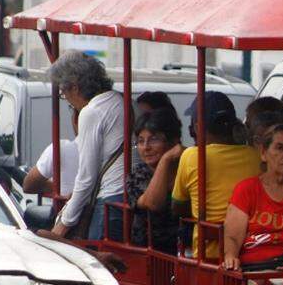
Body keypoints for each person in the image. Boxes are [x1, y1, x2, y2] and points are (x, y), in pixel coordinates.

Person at [160, 91, 261, 258]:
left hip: (209, 256)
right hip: (250, 250)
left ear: (198, 126)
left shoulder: (192, 156)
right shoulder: (255, 155)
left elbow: (177, 206)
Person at [48, 51, 126, 241]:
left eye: (63, 93)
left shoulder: (92, 112)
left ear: (74, 87)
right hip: (126, 198)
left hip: (109, 202)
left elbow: (86, 178)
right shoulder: (120, 100)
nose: (65, 98)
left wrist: (63, 224)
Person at [222, 124, 283, 271]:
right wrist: (231, 257)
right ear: (264, 153)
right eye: (280, 148)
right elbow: (233, 237)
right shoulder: (247, 189)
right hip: (252, 269)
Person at [126, 107, 183, 255]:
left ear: (173, 141)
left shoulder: (186, 168)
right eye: (140, 141)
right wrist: (165, 160)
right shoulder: (137, 175)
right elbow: (153, 203)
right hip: (150, 255)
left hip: (184, 251)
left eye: (154, 139)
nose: (146, 147)